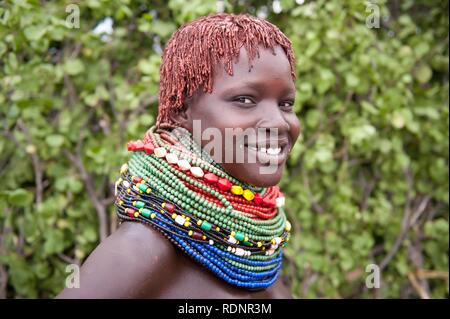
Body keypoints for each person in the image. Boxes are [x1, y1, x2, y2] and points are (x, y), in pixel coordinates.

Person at [57, 13, 300, 299]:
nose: (279, 122)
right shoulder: (141, 252)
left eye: (286, 103)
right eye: (245, 100)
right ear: (182, 110)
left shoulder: (258, 253)